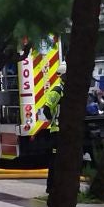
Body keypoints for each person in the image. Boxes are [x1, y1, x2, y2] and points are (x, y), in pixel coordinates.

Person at [42, 60, 66, 194]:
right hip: (57, 131)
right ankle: (51, 187)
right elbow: (47, 109)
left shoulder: (70, 90)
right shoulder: (57, 90)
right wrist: (53, 120)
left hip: (66, 131)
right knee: (55, 161)